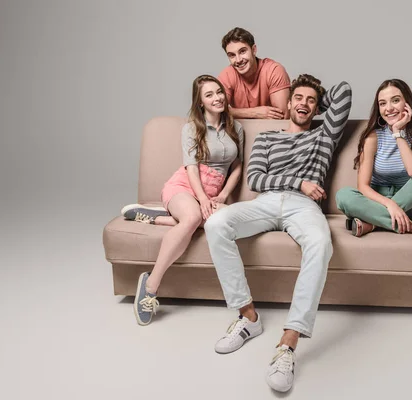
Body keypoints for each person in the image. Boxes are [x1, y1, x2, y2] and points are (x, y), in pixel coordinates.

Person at [204, 74, 352, 392]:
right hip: (266, 202)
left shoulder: (325, 136)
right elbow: (255, 180)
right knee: (216, 224)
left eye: (311, 101)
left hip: (304, 207)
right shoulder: (267, 137)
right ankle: (248, 317)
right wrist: (297, 181)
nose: (304, 104)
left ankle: (288, 342)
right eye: (298, 98)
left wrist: (314, 100)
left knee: (320, 243)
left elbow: (344, 93)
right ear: (288, 102)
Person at [123, 74, 244, 326]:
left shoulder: (236, 128)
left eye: (219, 92)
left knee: (225, 221)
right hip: (185, 186)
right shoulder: (191, 128)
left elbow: (236, 167)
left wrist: (221, 195)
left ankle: (159, 219)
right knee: (192, 217)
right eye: (209, 95)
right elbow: (190, 167)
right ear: (200, 102)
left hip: (213, 193)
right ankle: (151, 285)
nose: (217, 97)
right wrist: (202, 199)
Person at [335, 78, 412, 237]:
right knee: (343, 196)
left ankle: (373, 222)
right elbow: (363, 187)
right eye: (382, 103)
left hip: (409, 201)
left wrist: (397, 133)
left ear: (407, 103)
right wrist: (390, 205)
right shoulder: (372, 138)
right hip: (378, 201)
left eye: (395, 100)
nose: (389, 108)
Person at [218, 27, 291, 119]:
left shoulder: (274, 70)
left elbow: (282, 117)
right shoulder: (227, 75)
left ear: (254, 50)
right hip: (240, 132)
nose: (238, 60)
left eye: (242, 51)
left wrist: (232, 112)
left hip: (273, 131)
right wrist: (255, 113)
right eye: (232, 55)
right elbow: (216, 111)